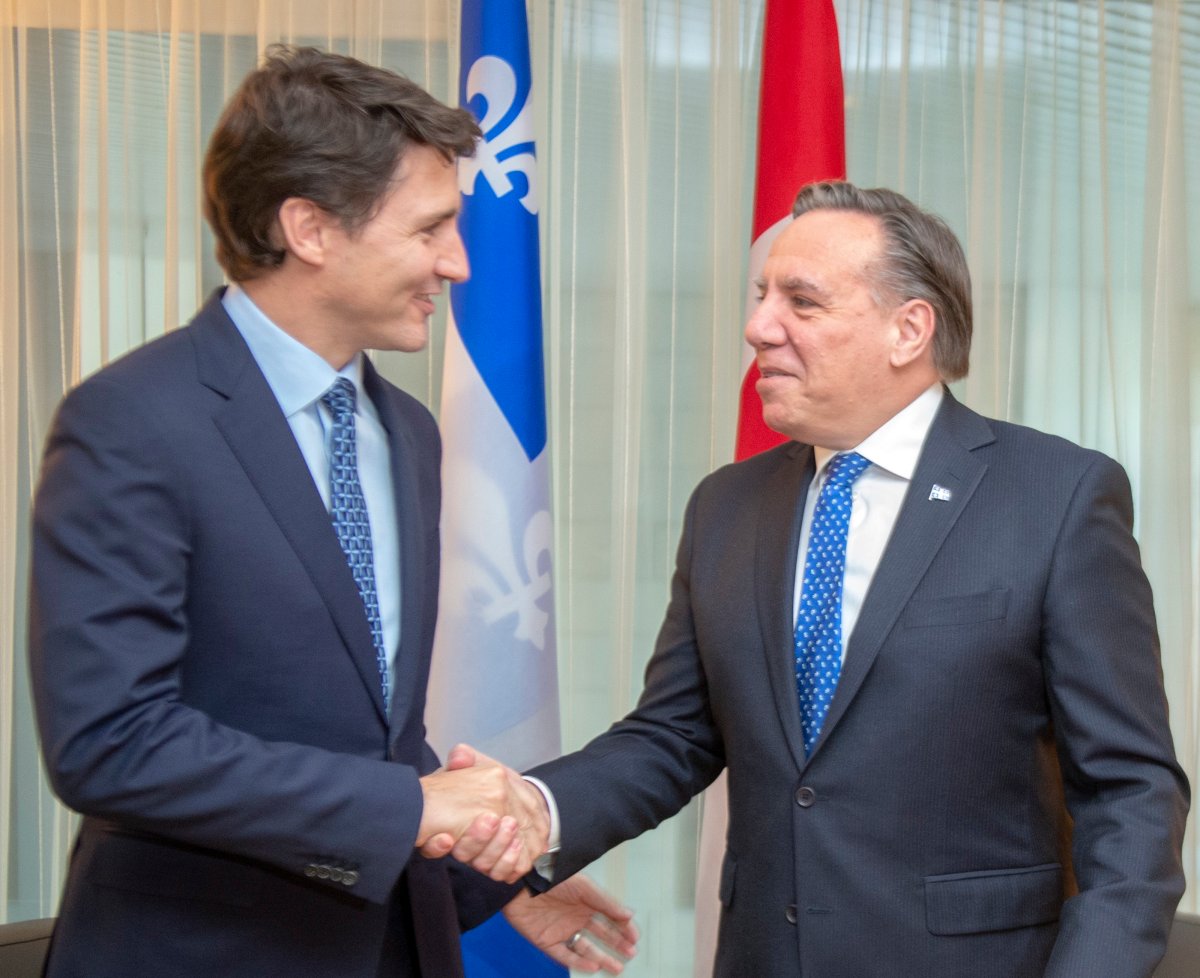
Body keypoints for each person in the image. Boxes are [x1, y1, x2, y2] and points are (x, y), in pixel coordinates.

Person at [28, 45, 635, 978]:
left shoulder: (411, 433)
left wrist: (498, 880)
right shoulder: (132, 422)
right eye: (430, 228)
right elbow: (112, 743)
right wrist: (411, 810)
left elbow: (373, 731)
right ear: (310, 228)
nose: (459, 263)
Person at [508, 182, 1190, 976]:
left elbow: (1130, 788)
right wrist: (532, 811)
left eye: (802, 301)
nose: (758, 327)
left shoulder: (1056, 497)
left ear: (909, 329)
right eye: (763, 296)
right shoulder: (726, 506)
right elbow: (676, 734)